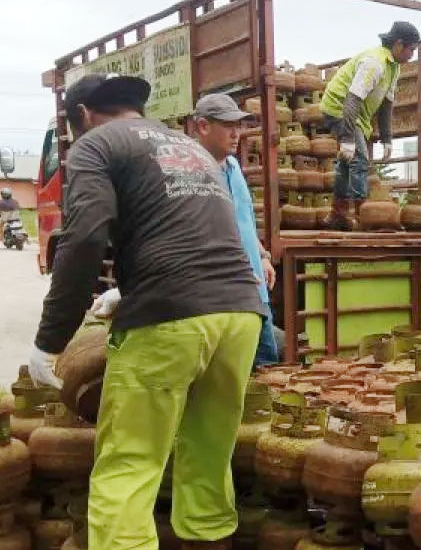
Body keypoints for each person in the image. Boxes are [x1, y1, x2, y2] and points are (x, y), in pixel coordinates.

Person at [27, 74, 265, 550]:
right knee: (207, 446)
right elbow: (192, 233)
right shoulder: (190, 149)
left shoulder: (96, 144)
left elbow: (84, 237)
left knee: (128, 461)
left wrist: (51, 337)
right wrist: (126, 288)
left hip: (170, 319)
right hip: (239, 311)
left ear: (83, 114)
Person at [89, 94, 282, 367]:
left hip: (252, 293)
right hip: (218, 294)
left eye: (239, 125)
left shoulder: (234, 167)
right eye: (228, 125)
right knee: (227, 373)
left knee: (265, 366)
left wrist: (261, 255)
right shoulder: (187, 170)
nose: (237, 133)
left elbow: (244, 216)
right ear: (203, 126)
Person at [320, 21, 420, 230]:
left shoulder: (394, 67)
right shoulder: (375, 63)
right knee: (360, 158)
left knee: (347, 163)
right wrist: (347, 139)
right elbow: (352, 100)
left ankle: (336, 213)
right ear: (399, 44)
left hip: (355, 116)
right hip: (339, 107)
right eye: (412, 49)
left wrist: (387, 139)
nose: (412, 55)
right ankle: (364, 215)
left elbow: (386, 104)